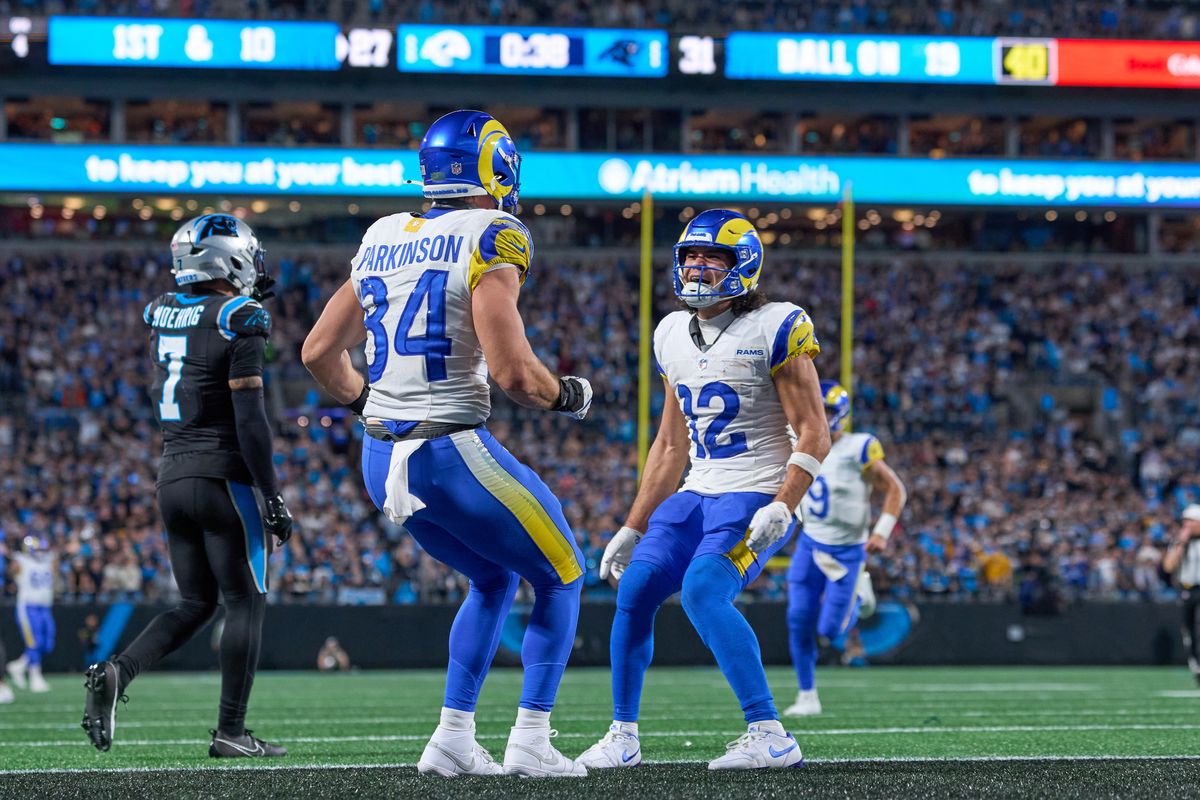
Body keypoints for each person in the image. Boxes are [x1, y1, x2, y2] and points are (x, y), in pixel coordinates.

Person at [302, 109, 593, 778]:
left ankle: (453, 738)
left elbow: (319, 351)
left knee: (491, 578)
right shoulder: (495, 231)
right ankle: (531, 740)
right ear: (498, 168)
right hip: (446, 450)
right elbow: (515, 373)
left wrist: (367, 402)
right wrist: (567, 395)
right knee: (564, 574)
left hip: (379, 459)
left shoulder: (381, 234)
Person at [576, 209, 829, 771]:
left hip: (756, 493)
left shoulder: (778, 324)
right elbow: (670, 446)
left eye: (711, 257)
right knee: (635, 588)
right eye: (689, 255)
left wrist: (784, 504)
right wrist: (632, 525)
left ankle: (770, 734)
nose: (696, 266)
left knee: (703, 591)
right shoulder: (670, 332)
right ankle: (622, 735)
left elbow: (815, 430)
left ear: (743, 265)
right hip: (697, 490)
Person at [81, 214, 293, 758]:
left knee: (195, 602)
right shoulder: (241, 317)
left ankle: (118, 671)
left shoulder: (163, 312)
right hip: (225, 477)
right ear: (231, 259)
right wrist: (271, 495)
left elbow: (194, 318)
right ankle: (231, 732)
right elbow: (250, 421)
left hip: (172, 475)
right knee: (245, 601)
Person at [782, 382, 907, 716]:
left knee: (830, 630)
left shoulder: (859, 447)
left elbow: (895, 489)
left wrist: (880, 532)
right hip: (810, 545)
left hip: (847, 551)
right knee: (797, 619)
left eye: (827, 410)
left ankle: (860, 597)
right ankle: (807, 695)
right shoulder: (796, 444)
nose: (821, 416)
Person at [6, 535, 56, 693]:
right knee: (34, 642)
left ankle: (18, 666)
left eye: (42, 549)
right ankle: (35, 677)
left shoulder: (47, 561)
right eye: (38, 549)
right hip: (28, 607)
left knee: (47, 643)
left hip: (45, 607)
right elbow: (11, 570)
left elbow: (56, 560)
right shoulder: (21, 560)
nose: (41, 552)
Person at [1162, 504, 1200, 686]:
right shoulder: (1179, 542)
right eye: (1184, 521)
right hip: (1188, 589)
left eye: (1190, 521)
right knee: (1190, 630)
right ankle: (1196, 665)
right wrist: (1181, 543)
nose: (1186, 525)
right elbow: (1169, 566)